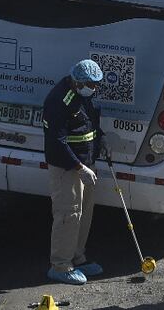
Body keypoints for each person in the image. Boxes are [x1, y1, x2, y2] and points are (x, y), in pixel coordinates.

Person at [42, 59, 105, 285]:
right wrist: (80, 168)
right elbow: (57, 142)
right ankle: (60, 265)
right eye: (91, 84)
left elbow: (89, 125)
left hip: (85, 164)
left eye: (96, 84)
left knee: (83, 214)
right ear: (77, 82)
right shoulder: (59, 100)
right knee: (68, 215)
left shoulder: (83, 96)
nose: (94, 88)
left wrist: (101, 141)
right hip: (67, 167)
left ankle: (77, 258)